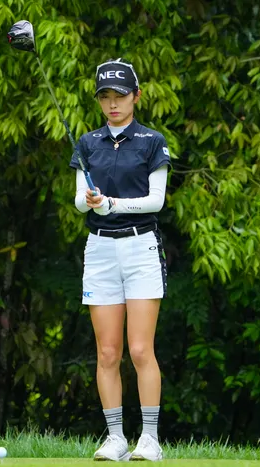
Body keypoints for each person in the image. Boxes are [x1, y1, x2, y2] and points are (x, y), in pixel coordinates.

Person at [69, 58, 171, 462]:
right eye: (105, 96)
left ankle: (150, 439)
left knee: (141, 350)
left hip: (140, 248)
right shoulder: (87, 143)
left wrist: (113, 204)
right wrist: (91, 200)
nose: (113, 104)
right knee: (108, 353)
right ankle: (116, 439)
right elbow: (79, 202)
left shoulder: (151, 141)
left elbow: (156, 200)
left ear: (136, 97)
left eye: (121, 95)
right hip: (99, 250)